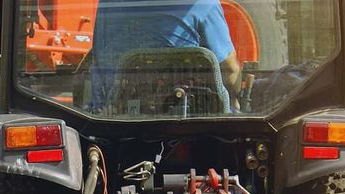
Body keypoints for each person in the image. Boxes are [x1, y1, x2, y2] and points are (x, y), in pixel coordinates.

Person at [89, 0, 242, 111]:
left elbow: (101, 55)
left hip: (113, 115)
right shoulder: (204, 4)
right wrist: (235, 101)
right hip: (185, 118)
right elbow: (230, 70)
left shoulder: (108, 4)